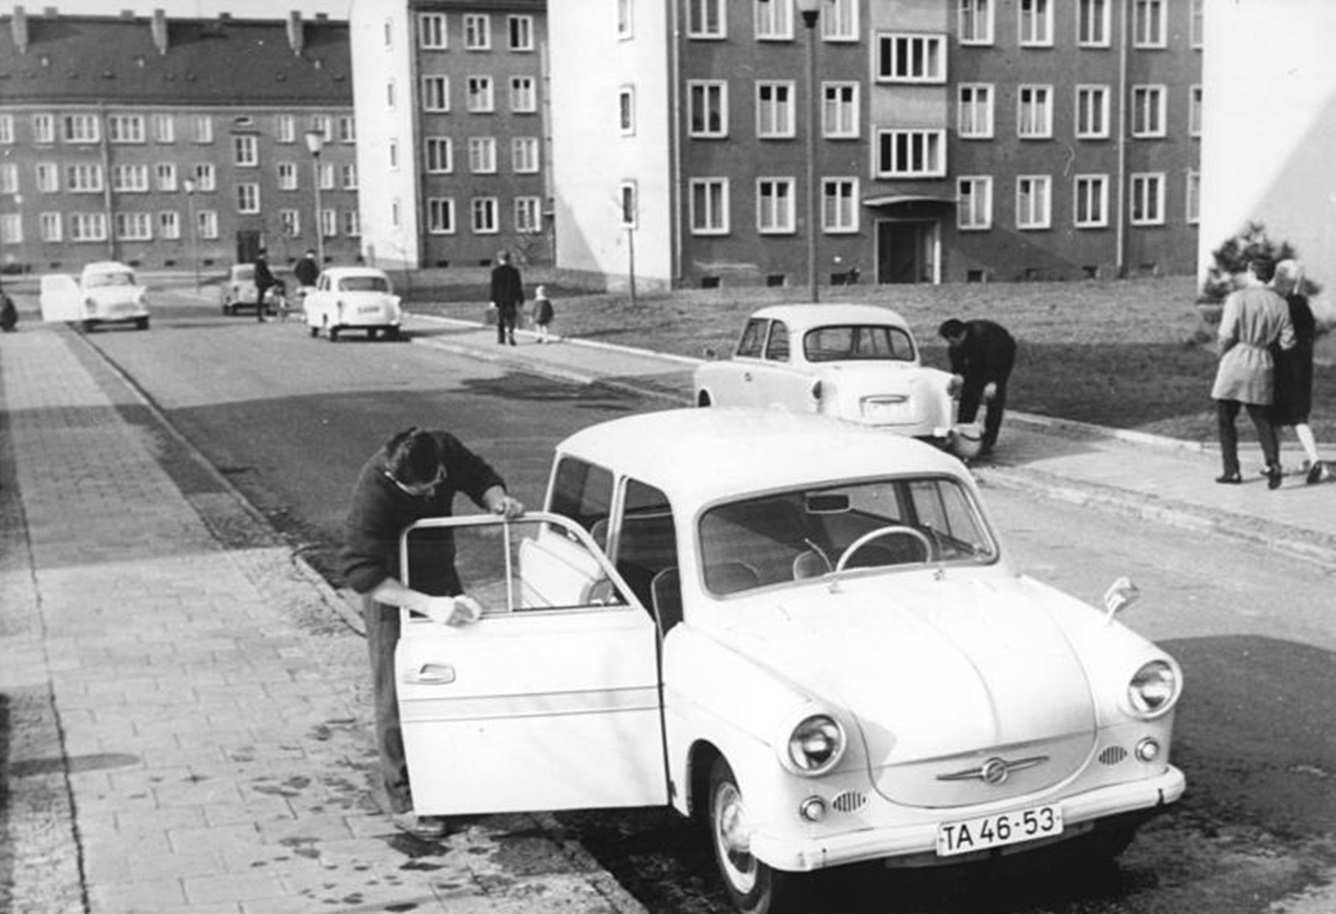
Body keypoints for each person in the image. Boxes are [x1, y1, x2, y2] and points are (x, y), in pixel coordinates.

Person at [341, 427, 524, 839]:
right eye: (417, 492)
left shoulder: (441, 448)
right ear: (395, 478)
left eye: (432, 488)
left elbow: (479, 475)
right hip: (392, 589)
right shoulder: (373, 494)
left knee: (456, 675)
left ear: (438, 468)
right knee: (396, 689)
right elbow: (362, 574)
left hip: (437, 570)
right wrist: (427, 605)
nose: (427, 497)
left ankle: (455, 777)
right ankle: (406, 799)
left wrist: (498, 500)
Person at [1211, 254, 1295, 488]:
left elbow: (1227, 333)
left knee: (1226, 419)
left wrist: (1220, 352)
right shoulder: (1281, 303)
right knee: (1263, 418)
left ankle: (1232, 471)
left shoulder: (1238, 298)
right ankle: (1273, 462)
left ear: (1251, 273)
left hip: (1236, 360)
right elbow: (1288, 341)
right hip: (1263, 362)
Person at [1269, 259, 1328, 484]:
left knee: (1275, 418)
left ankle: (1275, 463)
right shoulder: (1304, 306)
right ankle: (1315, 462)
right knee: (1299, 418)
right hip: (1302, 369)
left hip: (1282, 368)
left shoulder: (1283, 305)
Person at [938, 317, 1017, 458]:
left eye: (952, 341)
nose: (951, 344)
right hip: (978, 363)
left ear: (962, 334)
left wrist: (995, 382)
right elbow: (958, 364)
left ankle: (988, 442)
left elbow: (1001, 362)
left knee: (994, 400)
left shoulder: (988, 337)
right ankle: (962, 436)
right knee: (968, 396)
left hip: (1000, 359)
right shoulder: (956, 345)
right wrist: (957, 377)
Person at [489, 250, 524, 346]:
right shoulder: (514, 271)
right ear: (508, 259)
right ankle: (511, 333)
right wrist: (520, 298)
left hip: (500, 299)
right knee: (511, 317)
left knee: (501, 319)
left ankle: (501, 338)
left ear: (499, 259)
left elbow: (494, 287)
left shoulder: (495, 272)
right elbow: (518, 286)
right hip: (511, 298)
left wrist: (492, 299)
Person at [252, 250, 277, 323]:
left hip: (262, 282)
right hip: (262, 283)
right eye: (266, 254)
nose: (267, 255)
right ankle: (261, 315)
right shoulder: (260, 262)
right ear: (263, 254)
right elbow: (263, 273)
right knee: (260, 299)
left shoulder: (259, 262)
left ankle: (263, 314)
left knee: (261, 299)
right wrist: (270, 280)